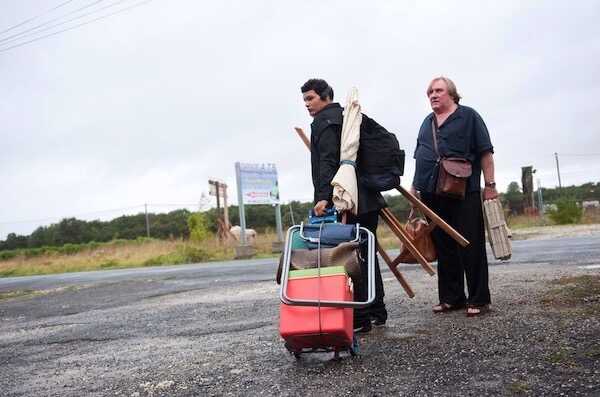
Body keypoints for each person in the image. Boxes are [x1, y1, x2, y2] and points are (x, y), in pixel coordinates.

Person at [301, 78, 387, 332]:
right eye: (305, 100)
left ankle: (360, 318)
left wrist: (323, 197)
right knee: (366, 253)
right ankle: (376, 311)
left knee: (350, 256)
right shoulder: (348, 115)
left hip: (345, 198)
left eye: (311, 98)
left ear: (325, 96)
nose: (307, 104)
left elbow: (327, 161)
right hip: (367, 196)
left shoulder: (325, 122)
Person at [411, 76, 498, 317]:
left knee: (470, 244)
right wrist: (414, 187)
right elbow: (421, 157)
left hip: (464, 191)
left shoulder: (469, 116)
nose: (433, 95)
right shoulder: (426, 122)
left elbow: (486, 153)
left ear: (452, 93)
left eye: (438, 90)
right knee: (444, 245)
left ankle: (479, 299)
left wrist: (489, 185)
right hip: (431, 192)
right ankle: (452, 298)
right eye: (429, 92)